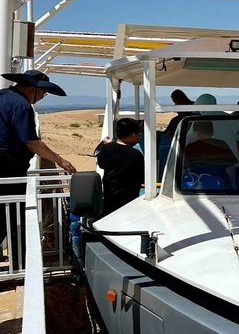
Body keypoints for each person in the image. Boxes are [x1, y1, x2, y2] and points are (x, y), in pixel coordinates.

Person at [0, 70, 77, 270]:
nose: (43, 97)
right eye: (43, 92)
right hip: (7, 166)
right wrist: (61, 160)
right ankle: (20, 266)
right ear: (32, 88)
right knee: (12, 217)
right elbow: (31, 142)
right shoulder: (21, 105)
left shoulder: (3, 97)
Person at [96, 118, 144, 215]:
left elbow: (101, 164)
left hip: (109, 200)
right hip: (129, 202)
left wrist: (107, 145)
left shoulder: (108, 149)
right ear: (133, 136)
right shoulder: (136, 154)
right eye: (138, 134)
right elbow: (142, 177)